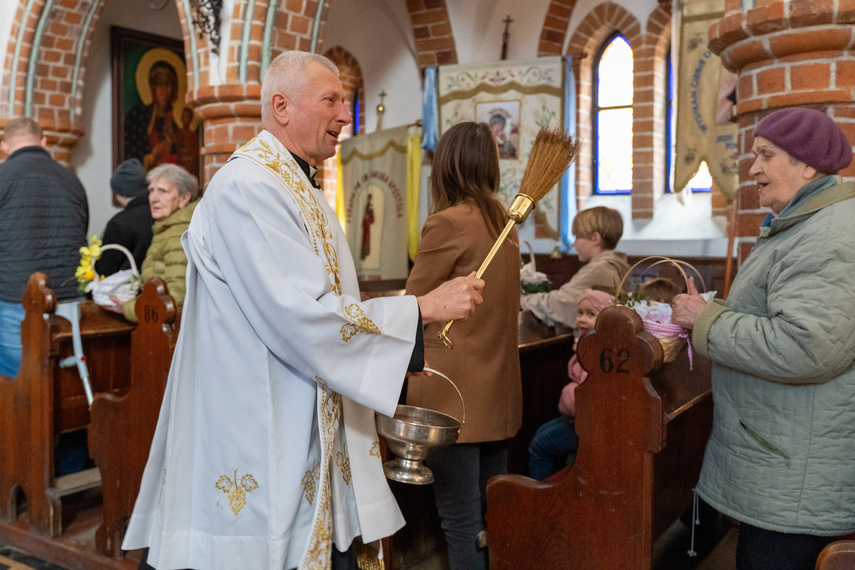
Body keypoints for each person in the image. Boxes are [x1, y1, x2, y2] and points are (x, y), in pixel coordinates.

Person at [122, 51, 484, 570]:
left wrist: (405, 341)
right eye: (331, 100)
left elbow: (332, 305)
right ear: (281, 106)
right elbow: (301, 313)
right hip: (259, 423)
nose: (344, 115)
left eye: (345, 99)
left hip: (305, 411)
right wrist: (419, 311)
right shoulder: (248, 187)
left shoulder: (302, 186)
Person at [672, 107, 855, 570]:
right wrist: (715, 313)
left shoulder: (827, 235)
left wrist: (708, 320)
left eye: (765, 155)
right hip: (788, 461)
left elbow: (806, 346)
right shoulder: (804, 224)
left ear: (807, 164)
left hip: (797, 476)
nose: (752, 168)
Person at [404, 121, 522, 570]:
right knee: (486, 523)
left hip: (451, 396)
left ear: (445, 165)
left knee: (459, 522)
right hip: (496, 395)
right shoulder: (505, 224)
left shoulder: (448, 222)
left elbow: (415, 305)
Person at [0, 117, 88, 377]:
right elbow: (81, 232)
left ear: (4, 146)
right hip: (68, 298)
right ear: (44, 141)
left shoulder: (2, 176)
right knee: (58, 383)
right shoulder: (72, 180)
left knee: (15, 387)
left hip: (15, 296)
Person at [528, 288, 613, 481]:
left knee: (539, 445)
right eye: (580, 313)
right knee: (542, 432)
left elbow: (588, 397)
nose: (583, 319)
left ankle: (541, 501)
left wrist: (568, 396)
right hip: (581, 420)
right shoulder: (588, 344)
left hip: (592, 425)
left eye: (591, 314)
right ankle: (555, 488)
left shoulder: (600, 352)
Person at [109, 163, 198, 322]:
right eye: (151, 190)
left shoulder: (177, 234)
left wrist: (128, 307)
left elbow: (176, 300)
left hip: (174, 333)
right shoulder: (166, 228)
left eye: (163, 191)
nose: (153, 198)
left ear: (184, 198)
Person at [520, 206, 629, 330]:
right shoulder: (616, 264)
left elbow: (559, 303)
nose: (574, 243)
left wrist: (523, 300)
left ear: (595, 238)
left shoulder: (599, 269)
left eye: (577, 236)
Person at [95, 158, 155, 277]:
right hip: (159, 287)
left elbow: (105, 268)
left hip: (129, 291)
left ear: (120, 192)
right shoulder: (160, 213)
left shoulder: (119, 222)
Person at [124, 60, 180, 171]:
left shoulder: (175, 121)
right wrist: (153, 154)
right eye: (160, 84)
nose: (164, 91)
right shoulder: (138, 116)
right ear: (152, 87)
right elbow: (130, 155)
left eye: (168, 85)